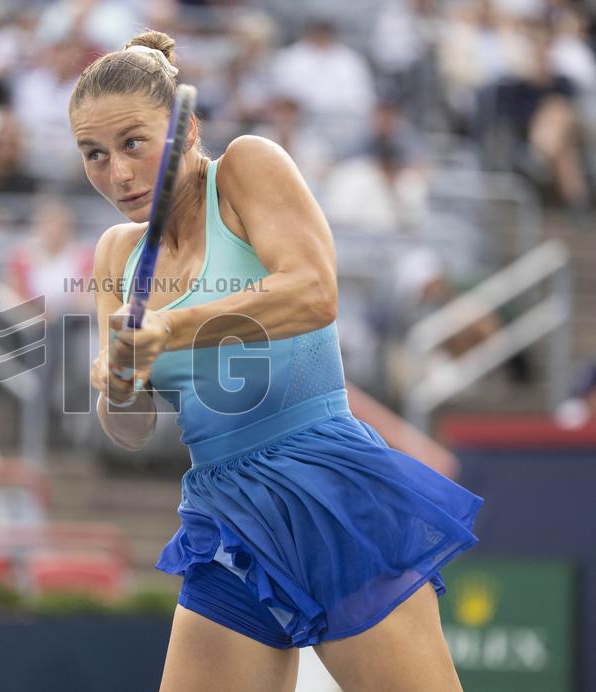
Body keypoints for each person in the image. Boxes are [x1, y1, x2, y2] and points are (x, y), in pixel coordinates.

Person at [72, 30, 482, 691]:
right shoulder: (116, 254)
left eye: (133, 143)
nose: (116, 173)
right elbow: (130, 428)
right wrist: (118, 382)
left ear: (186, 128)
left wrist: (169, 329)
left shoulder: (245, 168)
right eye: (94, 154)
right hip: (223, 514)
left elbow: (314, 293)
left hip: (326, 490)